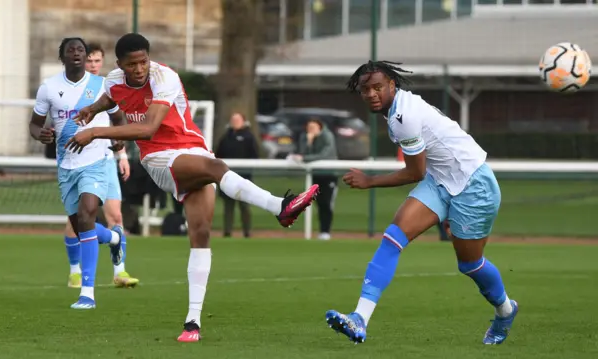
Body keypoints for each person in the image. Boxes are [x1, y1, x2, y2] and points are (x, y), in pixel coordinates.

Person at [65, 33, 320, 342]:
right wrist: (92, 109)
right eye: (132, 64)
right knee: (216, 169)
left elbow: (147, 127)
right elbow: (114, 100)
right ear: (120, 65)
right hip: (158, 159)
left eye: (143, 61)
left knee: (200, 235)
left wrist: (94, 132)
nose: (140, 69)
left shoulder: (164, 77)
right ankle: (279, 207)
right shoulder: (114, 79)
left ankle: (192, 322)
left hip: (192, 151)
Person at [324, 61, 517, 345]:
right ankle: (359, 319)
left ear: (393, 85)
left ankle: (505, 310)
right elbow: (425, 171)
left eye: (378, 87)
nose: (372, 94)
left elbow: (415, 172)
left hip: (473, 183)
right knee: (392, 240)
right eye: (366, 89)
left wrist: (370, 181)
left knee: (470, 264)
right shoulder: (396, 111)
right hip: (440, 179)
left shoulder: (404, 116)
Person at [29, 37, 127, 310]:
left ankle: (87, 293)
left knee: (86, 215)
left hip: (96, 161)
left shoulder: (101, 86)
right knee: (80, 224)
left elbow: (119, 120)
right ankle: (115, 238)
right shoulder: (49, 87)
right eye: (70, 50)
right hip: (66, 165)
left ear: (86, 57)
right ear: (62, 57)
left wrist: (119, 142)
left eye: (80, 50)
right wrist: (43, 135)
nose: (76, 53)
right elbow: (35, 125)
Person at [59, 42, 139, 289]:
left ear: (102, 62)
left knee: (115, 214)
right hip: (76, 162)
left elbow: (117, 122)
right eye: (88, 60)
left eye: (96, 61)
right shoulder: (69, 87)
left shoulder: (107, 87)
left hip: (104, 159)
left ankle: (120, 271)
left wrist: (122, 154)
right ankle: (75, 271)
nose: (92, 65)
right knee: (78, 219)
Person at [289, 118, 338, 240]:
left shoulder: (328, 136)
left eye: (313, 127)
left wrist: (304, 158)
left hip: (329, 174)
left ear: (320, 127)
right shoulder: (305, 137)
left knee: (327, 203)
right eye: (309, 128)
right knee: (319, 203)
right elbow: (302, 152)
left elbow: (324, 155)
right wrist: (309, 143)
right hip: (314, 174)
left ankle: (325, 231)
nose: (310, 130)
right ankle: (322, 231)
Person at [214, 112, 259, 238]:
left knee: (244, 206)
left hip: (244, 178)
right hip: (227, 178)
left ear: (243, 121)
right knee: (228, 206)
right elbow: (218, 154)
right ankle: (227, 232)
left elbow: (255, 155)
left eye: (237, 120)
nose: (235, 122)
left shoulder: (249, 137)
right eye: (233, 120)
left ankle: (247, 232)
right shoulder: (225, 137)